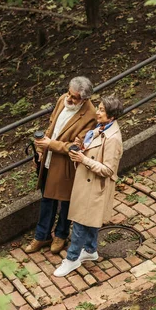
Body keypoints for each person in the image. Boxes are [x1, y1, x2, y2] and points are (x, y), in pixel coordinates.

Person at [24, 77, 97, 254]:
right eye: (69, 94)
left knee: (65, 202)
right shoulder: (62, 100)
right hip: (48, 159)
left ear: (85, 99)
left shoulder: (90, 116)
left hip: (66, 165)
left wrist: (50, 144)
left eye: (75, 98)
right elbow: (52, 125)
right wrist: (41, 148)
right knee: (46, 199)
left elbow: (77, 146)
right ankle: (42, 236)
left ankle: (61, 235)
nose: (69, 99)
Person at [54, 96, 124, 277]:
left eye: (101, 110)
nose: (97, 112)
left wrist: (83, 160)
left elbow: (108, 170)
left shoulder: (113, 139)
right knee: (90, 219)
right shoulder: (99, 129)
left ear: (111, 116)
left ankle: (72, 259)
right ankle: (91, 250)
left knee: (80, 222)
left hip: (95, 186)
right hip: (87, 183)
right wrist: (81, 148)